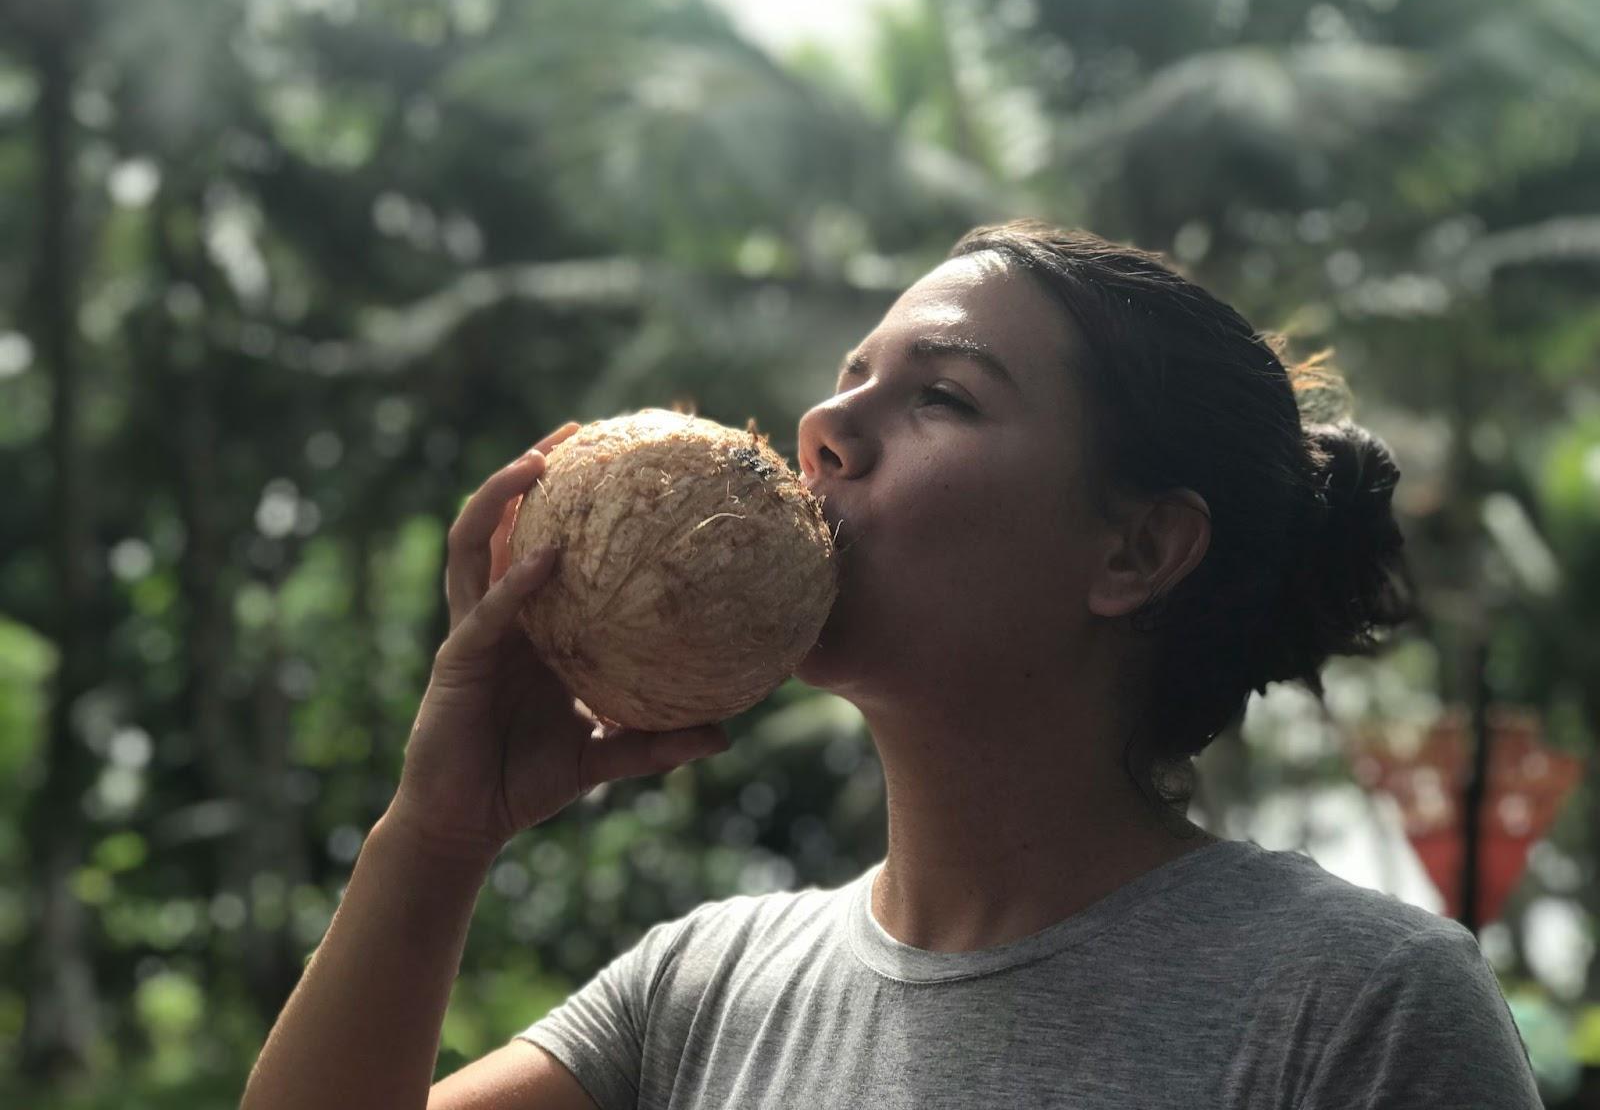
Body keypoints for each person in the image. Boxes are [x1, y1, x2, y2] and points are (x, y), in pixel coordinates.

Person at [241, 221, 1543, 1110]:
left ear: (1136, 550)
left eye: (943, 396)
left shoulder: (1356, 1011)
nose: (822, 425)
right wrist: (440, 831)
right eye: (850, 374)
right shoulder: (706, 989)